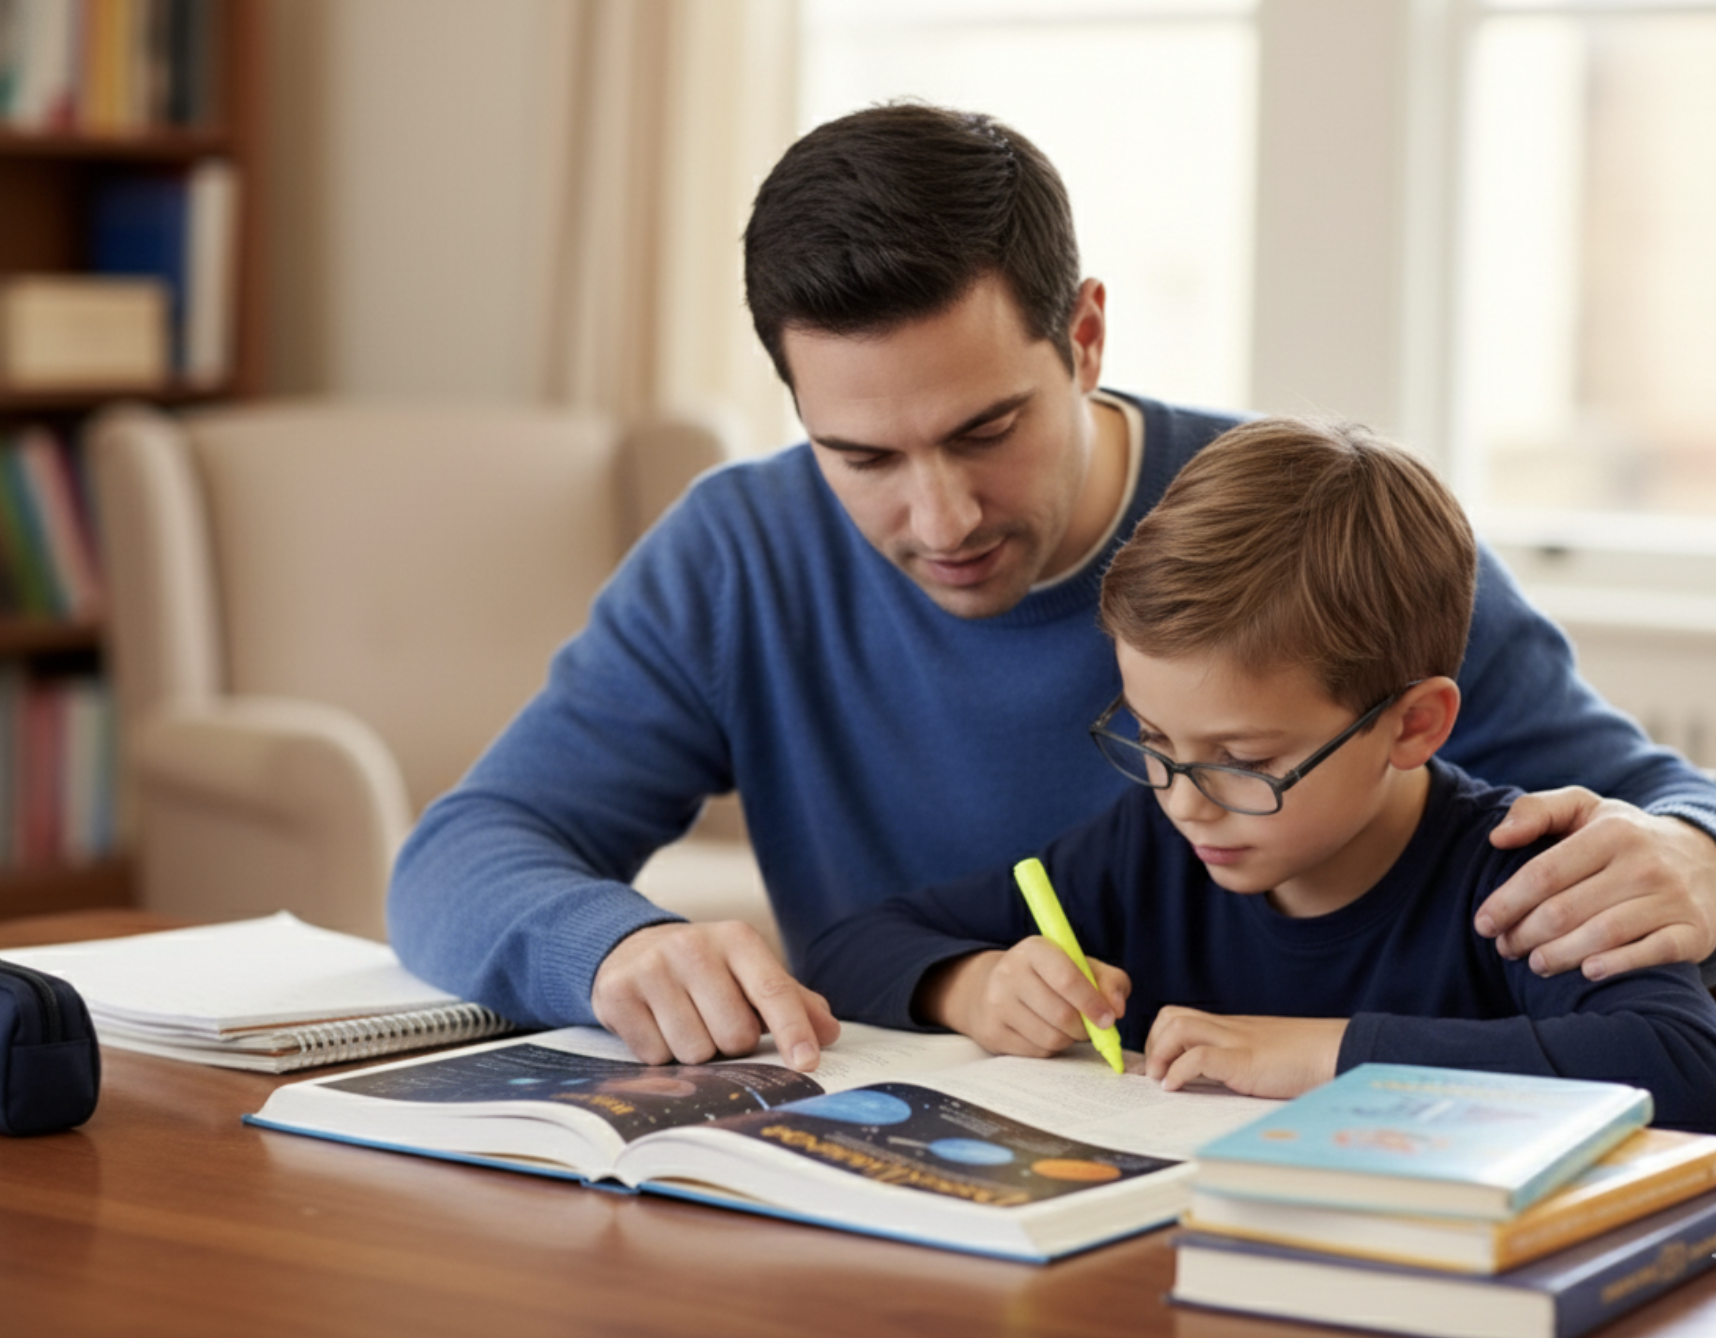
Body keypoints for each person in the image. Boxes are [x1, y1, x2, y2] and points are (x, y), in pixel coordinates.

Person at [387, 102, 1716, 1075]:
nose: (941, 517)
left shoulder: (1292, 535)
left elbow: (1665, 808)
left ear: (1082, 336)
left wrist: (1692, 853)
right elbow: (461, 855)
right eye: (860, 454)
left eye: (983, 431)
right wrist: (612, 945)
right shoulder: (741, 551)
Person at [800, 418, 1716, 1130]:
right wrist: (975, 985)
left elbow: (1684, 1063)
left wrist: (1323, 1057)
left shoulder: (1525, 878)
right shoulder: (1147, 849)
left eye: (1245, 762)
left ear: (1412, 725)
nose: (1184, 800)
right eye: (1152, 736)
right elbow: (851, 945)